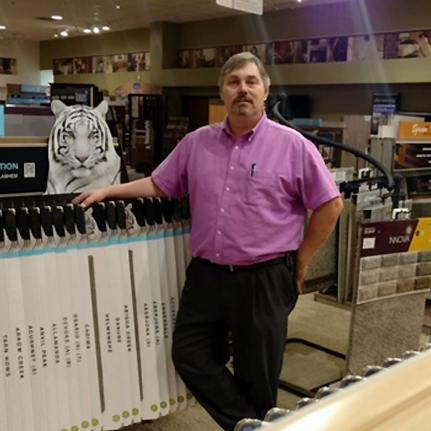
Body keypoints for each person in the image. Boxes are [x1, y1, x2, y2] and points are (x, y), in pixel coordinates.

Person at [72, 52, 343, 431]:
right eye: (234, 82)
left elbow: (330, 204)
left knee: (257, 376)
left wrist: (303, 258)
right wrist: (108, 191)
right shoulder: (197, 143)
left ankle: (256, 423)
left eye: (251, 81)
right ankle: (254, 427)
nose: (243, 89)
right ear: (222, 92)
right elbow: (160, 183)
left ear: (266, 91)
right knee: (190, 354)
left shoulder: (293, 146)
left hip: (263, 279)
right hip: (207, 277)